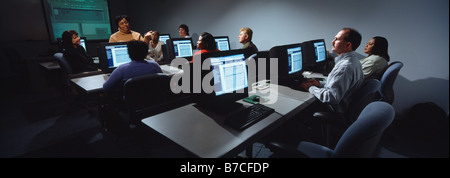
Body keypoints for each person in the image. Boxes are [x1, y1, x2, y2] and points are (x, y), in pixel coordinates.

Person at [301, 28, 364, 113]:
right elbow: (339, 85)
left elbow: (331, 98)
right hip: (344, 106)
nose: (332, 41)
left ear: (348, 45)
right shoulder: (354, 61)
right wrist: (319, 84)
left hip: (334, 110)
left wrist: (311, 88)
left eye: (337, 39)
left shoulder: (344, 67)